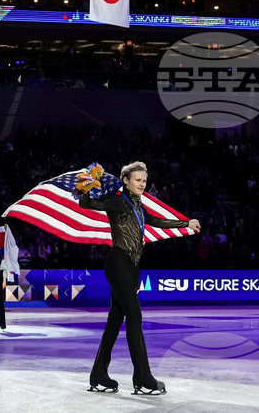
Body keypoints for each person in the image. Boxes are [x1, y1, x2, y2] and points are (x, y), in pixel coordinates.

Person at [79, 161, 201, 395]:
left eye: (144, 180)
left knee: (116, 320)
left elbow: (156, 221)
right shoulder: (116, 201)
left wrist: (186, 223)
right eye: (138, 180)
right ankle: (143, 376)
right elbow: (89, 203)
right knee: (134, 315)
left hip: (132, 267)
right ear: (126, 180)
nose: (142, 184)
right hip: (118, 263)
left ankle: (98, 374)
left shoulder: (138, 205)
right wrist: (85, 190)